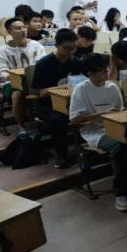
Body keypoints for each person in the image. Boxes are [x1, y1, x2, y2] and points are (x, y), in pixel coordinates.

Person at [69, 53, 127, 212]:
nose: (106, 72)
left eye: (107, 68)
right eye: (102, 70)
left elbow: (121, 110)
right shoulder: (81, 89)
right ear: (90, 74)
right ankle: (122, 192)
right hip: (95, 132)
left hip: (116, 126)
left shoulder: (113, 87)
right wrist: (102, 114)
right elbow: (75, 119)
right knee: (118, 146)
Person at [32, 29, 83, 168]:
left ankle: (88, 149)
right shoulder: (44, 64)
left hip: (71, 101)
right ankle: (61, 155)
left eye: (74, 48)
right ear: (57, 45)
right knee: (58, 119)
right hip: (48, 104)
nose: (71, 51)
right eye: (67, 48)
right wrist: (63, 87)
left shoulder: (76, 61)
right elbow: (40, 93)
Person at [0, 18, 46, 136]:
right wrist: (15, 75)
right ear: (9, 32)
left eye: (23, 27)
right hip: (12, 83)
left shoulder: (36, 45)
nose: (23, 30)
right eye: (18, 28)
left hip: (34, 81)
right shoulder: (3, 50)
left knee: (49, 89)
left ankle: (44, 120)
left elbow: (44, 64)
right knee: (17, 95)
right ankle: (21, 126)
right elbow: (0, 73)